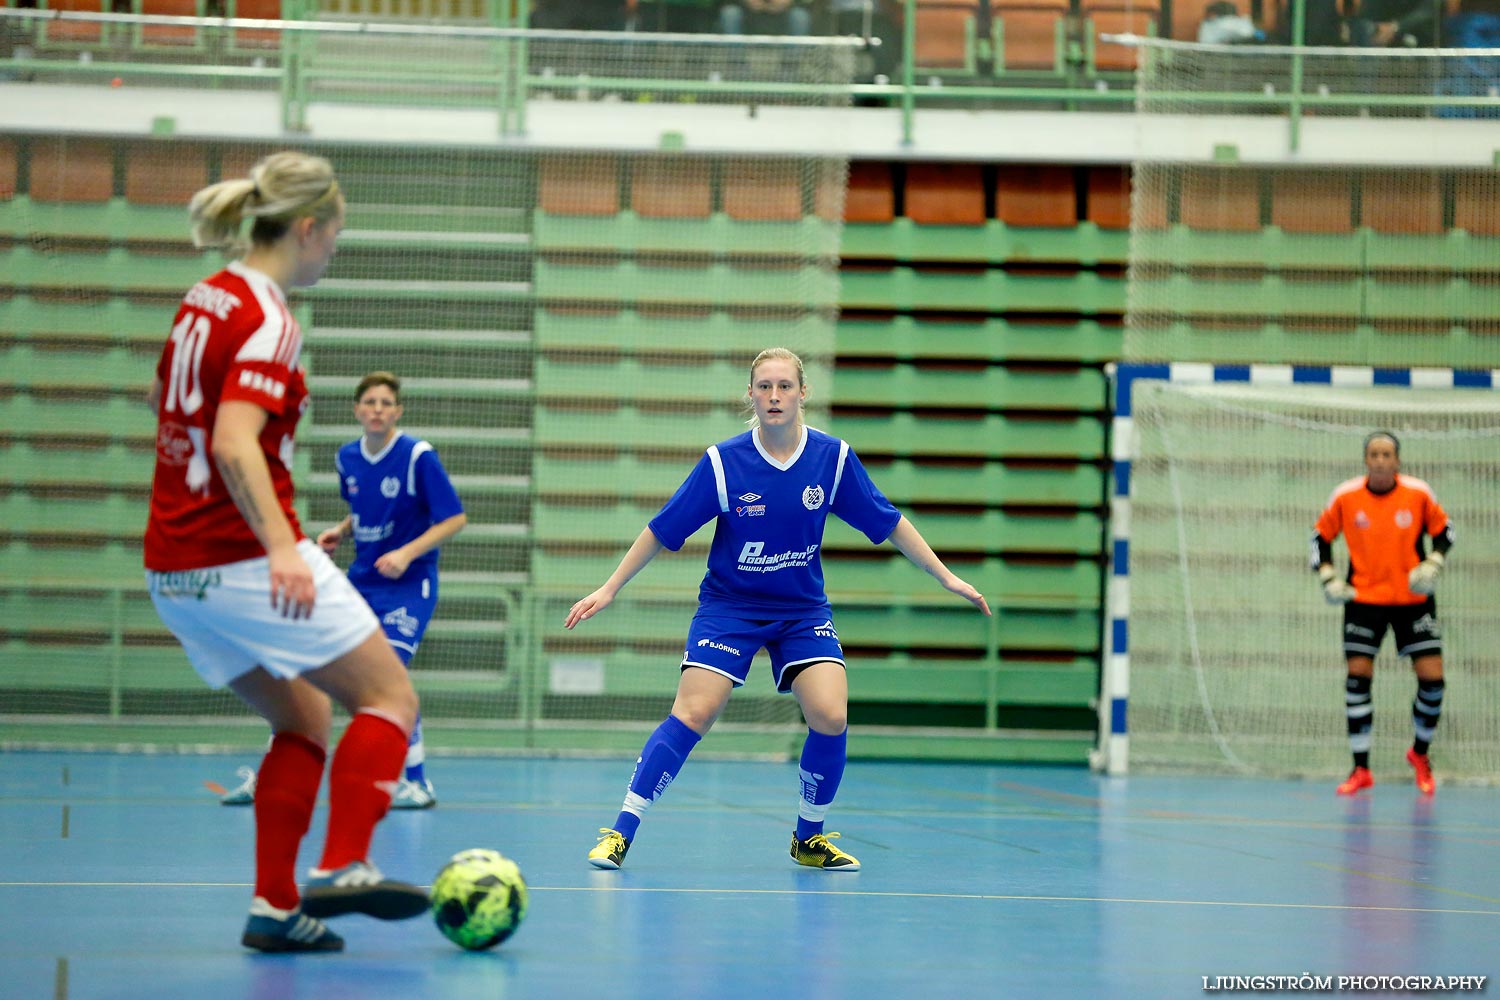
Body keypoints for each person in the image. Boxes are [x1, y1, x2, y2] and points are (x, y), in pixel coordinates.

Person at [146, 151, 429, 952]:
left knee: (304, 714)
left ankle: (274, 907)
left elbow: (185, 417)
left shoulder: (205, 297)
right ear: (306, 229)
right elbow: (235, 439)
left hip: (173, 565)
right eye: (333, 237)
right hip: (239, 557)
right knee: (390, 699)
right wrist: (280, 547)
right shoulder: (270, 319)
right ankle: (344, 862)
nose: (332, 252)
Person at [567, 348, 991, 872]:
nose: (774, 396)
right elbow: (662, 528)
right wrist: (609, 588)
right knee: (695, 712)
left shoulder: (831, 459)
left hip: (802, 611)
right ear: (750, 394)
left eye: (785, 386)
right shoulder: (724, 463)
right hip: (730, 606)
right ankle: (620, 831)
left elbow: (889, 521)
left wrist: (946, 575)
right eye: (764, 386)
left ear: (802, 393)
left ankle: (808, 839)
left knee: (831, 713)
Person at [219, 373, 468, 810]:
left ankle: (417, 781)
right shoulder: (347, 457)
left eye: (385, 402)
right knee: (305, 661)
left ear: (397, 411)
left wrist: (407, 554)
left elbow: (453, 518)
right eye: (369, 401)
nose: (377, 408)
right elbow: (362, 508)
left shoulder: (417, 456)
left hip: (409, 584)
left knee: (389, 672)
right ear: (357, 410)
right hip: (362, 579)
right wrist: (341, 529)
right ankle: (273, 774)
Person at [1311, 431, 1453, 798]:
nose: (1379, 460)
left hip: (1413, 599)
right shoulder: (1345, 497)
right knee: (1357, 677)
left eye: (1386, 454)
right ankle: (1361, 769)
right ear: (1365, 460)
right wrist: (1328, 576)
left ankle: (1419, 754)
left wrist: (1434, 562)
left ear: (1397, 461)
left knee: (1433, 681)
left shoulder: (1418, 493)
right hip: (1365, 600)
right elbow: (1319, 538)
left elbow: (1445, 532)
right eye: (1373, 454)